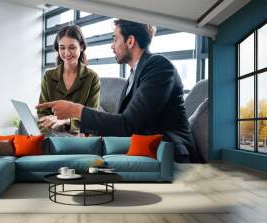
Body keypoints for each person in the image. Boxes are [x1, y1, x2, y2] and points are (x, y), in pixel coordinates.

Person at [37, 20, 201, 163]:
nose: (111, 45)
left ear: (130, 41)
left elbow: (128, 125)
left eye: (115, 39)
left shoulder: (158, 67)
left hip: (169, 154)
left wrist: (75, 110)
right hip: (145, 151)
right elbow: (121, 124)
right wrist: (78, 128)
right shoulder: (134, 74)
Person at [37, 25, 100, 134]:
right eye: (62, 47)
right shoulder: (48, 76)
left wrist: (67, 121)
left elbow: (92, 118)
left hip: (80, 137)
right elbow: (42, 114)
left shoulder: (92, 77)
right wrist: (47, 136)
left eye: (72, 47)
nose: (67, 53)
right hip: (53, 134)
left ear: (81, 47)